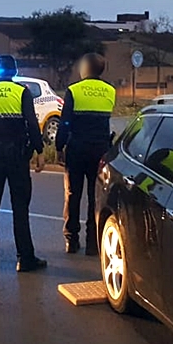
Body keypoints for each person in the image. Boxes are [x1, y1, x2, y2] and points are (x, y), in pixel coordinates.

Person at [0, 55, 48, 272]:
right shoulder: (21, 92)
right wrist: (39, 151)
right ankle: (25, 258)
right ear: (14, 71)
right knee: (20, 207)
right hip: (18, 156)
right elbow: (32, 124)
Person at [56, 53, 116, 255]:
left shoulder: (74, 90)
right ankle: (93, 243)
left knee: (72, 194)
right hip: (100, 151)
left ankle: (71, 240)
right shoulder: (110, 91)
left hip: (77, 148)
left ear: (84, 69)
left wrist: (59, 146)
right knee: (95, 198)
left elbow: (65, 122)